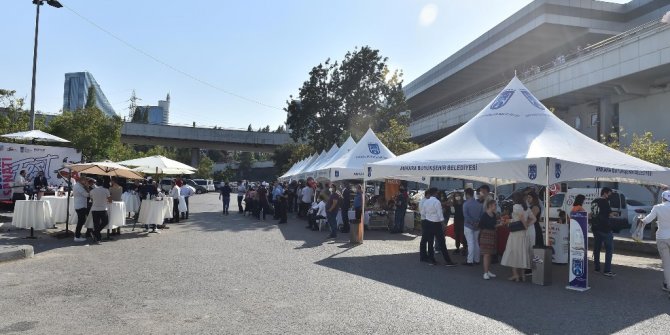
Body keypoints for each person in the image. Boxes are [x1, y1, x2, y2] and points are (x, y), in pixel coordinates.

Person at [640, 190, 670, 296]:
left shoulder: (658, 207)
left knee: (666, 264)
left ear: (663, 198)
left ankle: (667, 285)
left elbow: (647, 220)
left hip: (662, 237)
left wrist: (641, 219)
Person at [501, 192, 536, 282]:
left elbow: (520, 217)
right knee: (522, 254)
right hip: (523, 234)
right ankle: (523, 275)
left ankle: (515, 275)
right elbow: (534, 219)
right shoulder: (526, 207)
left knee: (513, 253)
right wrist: (527, 225)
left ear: (515, 199)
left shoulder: (516, 206)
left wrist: (525, 225)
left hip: (515, 234)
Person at [421, 188, 456, 266]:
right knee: (442, 243)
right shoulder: (437, 202)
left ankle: (431, 260)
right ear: (436, 193)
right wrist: (443, 224)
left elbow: (423, 213)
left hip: (428, 222)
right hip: (436, 224)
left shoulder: (426, 202)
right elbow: (440, 215)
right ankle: (448, 261)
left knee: (430, 242)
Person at [591, 187, 617, 277]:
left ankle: (597, 268)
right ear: (605, 193)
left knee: (597, 248)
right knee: (609, 249)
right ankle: (607, 270)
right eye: (609, 193)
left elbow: (593, 214)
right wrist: (614, 214)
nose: (610, 195)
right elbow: (610, 214)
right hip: (605, 229)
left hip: (595, 228)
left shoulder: (594, 201)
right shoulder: (605, 202)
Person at [480, 199, 500, 280]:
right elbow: (484, 225)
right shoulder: (484, 215)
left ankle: (488, 271)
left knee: (490, 253)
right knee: (486, 254)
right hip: (486, 235)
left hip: (492, 234)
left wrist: (498, 223)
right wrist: (499, 225)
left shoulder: (494, 214)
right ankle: (485, 272)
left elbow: (494, 224)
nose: (496, 206)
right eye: (495, 205)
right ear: (490, 206)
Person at [463, 188, 482, 265]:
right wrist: (477, 223)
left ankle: (470, 261)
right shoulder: (479, 204)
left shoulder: (466, 204)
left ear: (467, 194)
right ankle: (477, 260)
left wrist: (472, 223)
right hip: (477, 226)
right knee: (476, 242)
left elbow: (466, 216)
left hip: (468, 225)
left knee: (470, 243)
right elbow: (481, 216)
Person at [89, 179, 112, 244]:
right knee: (105, 222)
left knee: (96, 224)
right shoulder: (106, 190)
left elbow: (92, 200)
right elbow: (110, 200)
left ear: (96, 184)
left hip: (94, 209)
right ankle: (96, 234)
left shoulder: (92, 191)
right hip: (103, 209)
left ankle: (97, 237)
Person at [73, 177, 91, 242]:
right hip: (80, 206)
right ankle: (77, 236)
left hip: (81, 205)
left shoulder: (79, 185)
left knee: (81, 221)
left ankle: (78, 234)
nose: (86, 182)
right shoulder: (78, 187)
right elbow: (87, 195)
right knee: (81, 221)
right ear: (81, 180)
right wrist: (92, 192)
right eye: (85, 181)